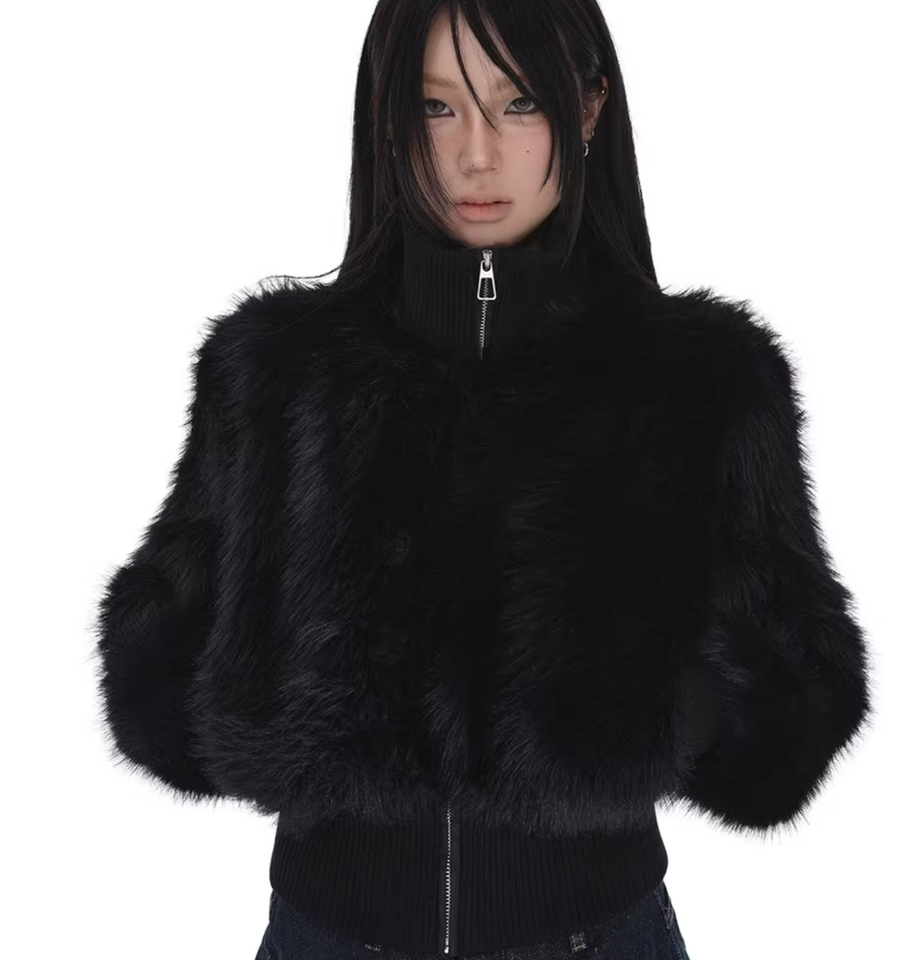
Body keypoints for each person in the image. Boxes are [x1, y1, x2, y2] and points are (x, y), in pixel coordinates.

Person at [92, 1, 875, 958]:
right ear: (387, 121)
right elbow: (154, 661)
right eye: (435, 107)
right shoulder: (276, 372)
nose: (474, 155)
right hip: (329, 934)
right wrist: (284, 686)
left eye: (519, 103)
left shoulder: (698, 382)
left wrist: (641, 702)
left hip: (594, 933)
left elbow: (801, 690)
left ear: (587, 109)